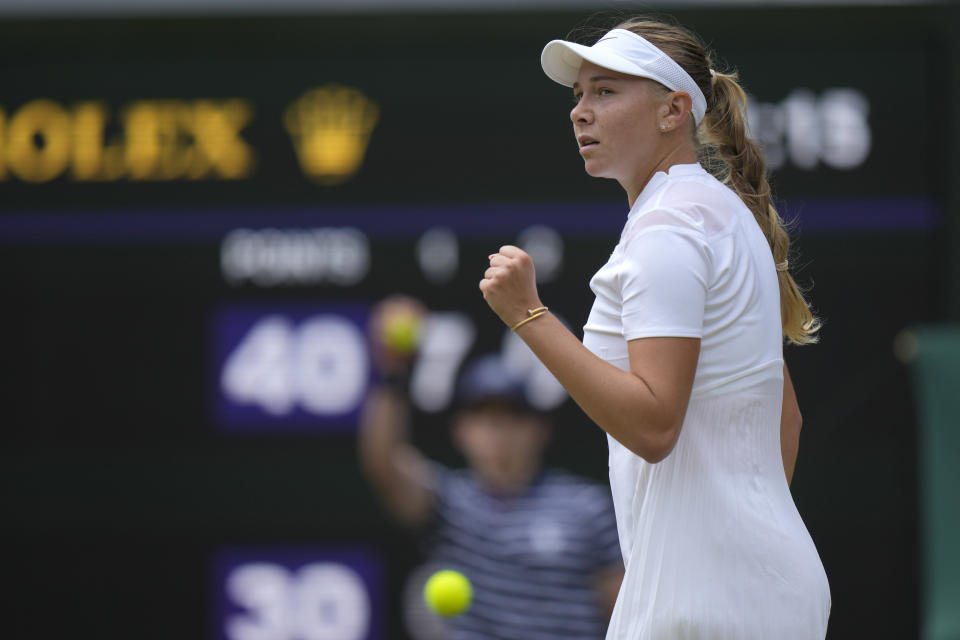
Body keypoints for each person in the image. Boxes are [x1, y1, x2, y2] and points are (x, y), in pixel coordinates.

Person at [478, 17, 831, 640]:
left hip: (702, 602)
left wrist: (527, 316)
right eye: (579, 95)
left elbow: (653, 423)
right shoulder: (716, 213)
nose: (580, 112)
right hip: (760, 587)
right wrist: (738, 535)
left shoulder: (668, 228)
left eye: (606, 92)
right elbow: (788, 419)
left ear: (673, 111)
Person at [359, 296, 624, 640]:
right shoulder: (448, 503)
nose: (497, 432)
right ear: (461, 431)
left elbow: (621, 611)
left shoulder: (587, 507)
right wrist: (391, 373)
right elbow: (383, 463)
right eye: (484, 419)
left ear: (539, 430)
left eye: (510, 417)